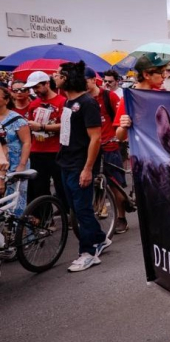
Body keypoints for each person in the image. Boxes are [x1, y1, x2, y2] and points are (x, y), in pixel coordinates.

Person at [57, 62, 109, 272]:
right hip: (66, 162)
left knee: (82, 209)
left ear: (68, 78)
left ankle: (87, 253)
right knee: (76, 209)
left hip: (80, 164)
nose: (55, 77)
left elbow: (95, 138)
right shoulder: (68, 102)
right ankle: (100, 238)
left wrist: (88, 169)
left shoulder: (87, 103)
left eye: (58, 74)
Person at [85, 67, 131, 234]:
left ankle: (121, 217)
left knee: (115, 185)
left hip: (110, 146)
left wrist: (118, 137)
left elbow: (119, 120)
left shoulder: (108, 96)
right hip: (91, 147)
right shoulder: (82, 99)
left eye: (85, 80)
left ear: (92, 80)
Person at [24, 71, 68, 210]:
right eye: (33, 88)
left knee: (61, 186)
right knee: (40, 188)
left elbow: (66, 126)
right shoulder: (34, 104)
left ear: (47, 84)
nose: (35, 91)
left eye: (37, 87)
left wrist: (43, 126)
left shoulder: (62, 101)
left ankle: (67, 214)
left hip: (57, 151)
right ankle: (45, 219)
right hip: (37, 151)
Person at [0, 86, 31, 217]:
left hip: (16, 163)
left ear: (6, 100)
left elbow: (27, 142)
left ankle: (21, 232)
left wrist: (22, 165)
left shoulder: (17, 119)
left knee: (16, 200)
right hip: (1, 162)